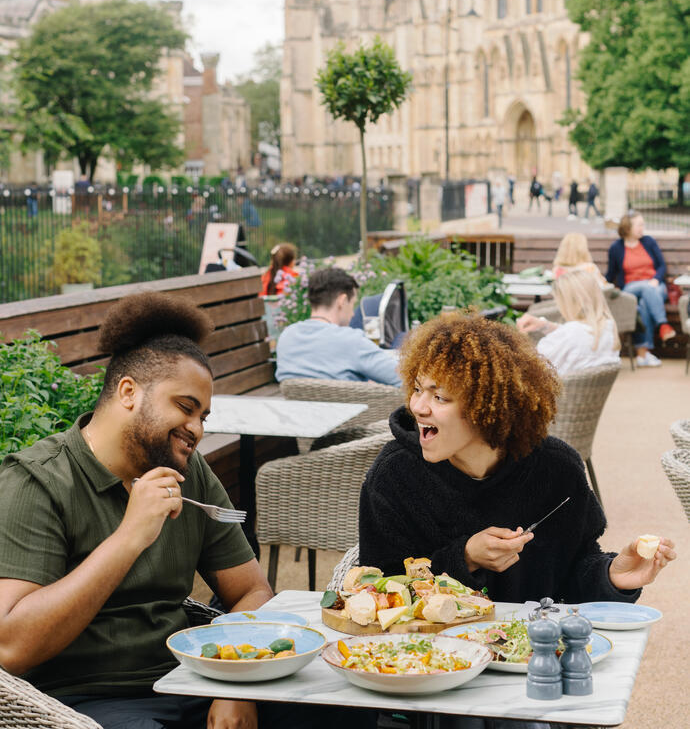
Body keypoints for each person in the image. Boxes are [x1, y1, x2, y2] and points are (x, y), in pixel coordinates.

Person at [0, 292, 369, 729]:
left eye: (204, 416)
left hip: (188, 679)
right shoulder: (37, 481)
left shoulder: (186, 472)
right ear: (128, 392)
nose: (196, 428)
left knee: (344, 710)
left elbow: (252, 593)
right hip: (85, 701)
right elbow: (12, 647)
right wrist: (130, 536)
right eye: (185, 407)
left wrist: (231, 683)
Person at [359, 312, 674, 610]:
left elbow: (574, 573)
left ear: (487, 409)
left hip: (531, 656)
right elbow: (379, 592)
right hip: (427, 661)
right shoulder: (394, 475)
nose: (418, 407)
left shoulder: (557, 469)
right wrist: (464, 558)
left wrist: (612, 577)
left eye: (439, 397)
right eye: (417, 389)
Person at [275, 266, 401, 385]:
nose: (352, 314)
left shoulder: (286, 337)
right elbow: (403, 379)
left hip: (295, 408)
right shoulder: (350, 340)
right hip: (357, 408)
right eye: (352, 304)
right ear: (342, 301)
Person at [516, 270, 621, 375]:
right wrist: (545, 325)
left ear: (570, 302)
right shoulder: (608, 326)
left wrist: (522, 337)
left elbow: (533, 365)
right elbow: (577, 335)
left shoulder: (570, 333)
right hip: (584, 390)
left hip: (555, 389)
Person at [606, 212, 675, 367]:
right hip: (630, 289)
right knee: (644, 289)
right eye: (639, 224)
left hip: (656, 286)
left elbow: (661, 265)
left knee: (643, 304)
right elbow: (611, 274)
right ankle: (662, 324)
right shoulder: (616, 248)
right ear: (628, 227)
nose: (642, 228)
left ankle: (643, 354)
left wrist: (656, 279)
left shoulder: (648, 242)